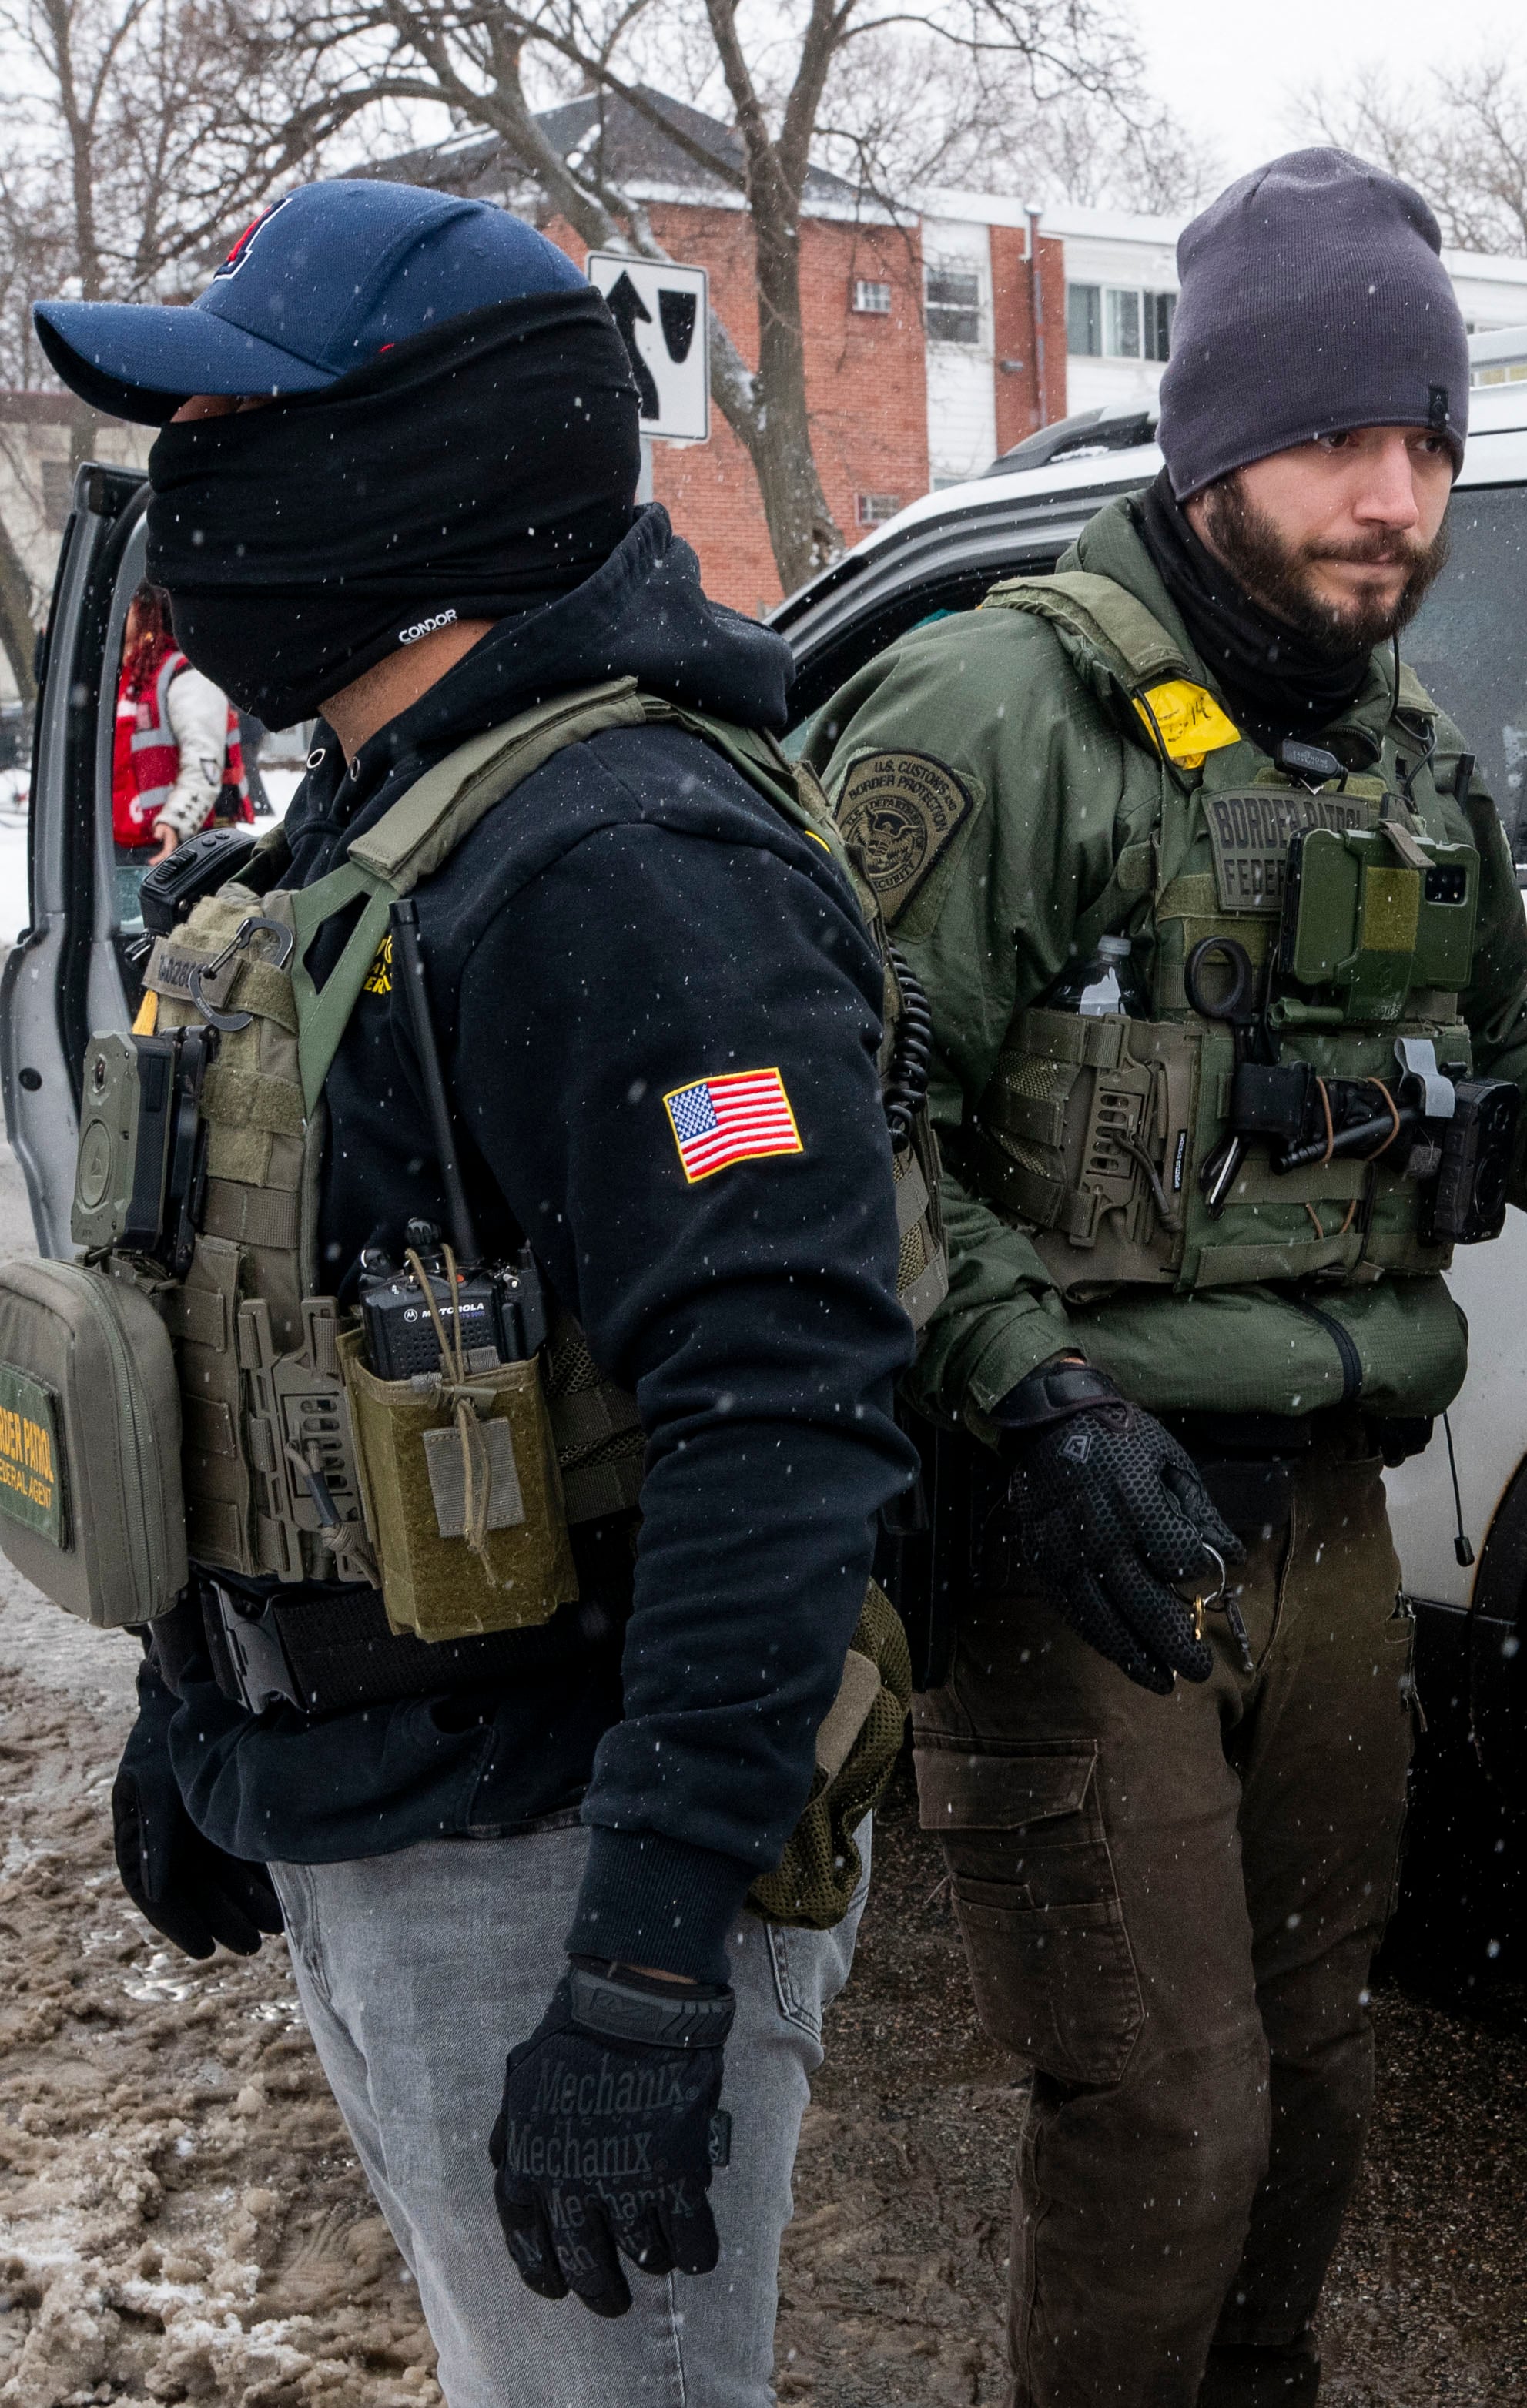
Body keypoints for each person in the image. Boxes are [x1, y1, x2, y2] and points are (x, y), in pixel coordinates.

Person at [34, 179, 921, 2405]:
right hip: (381, 1799)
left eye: (241, 421)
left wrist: (642, 1953)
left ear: (424, 455)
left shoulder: (628, 863)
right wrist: (203, 1702)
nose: (194, 495)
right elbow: (292, 1330)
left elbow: (782, 1415)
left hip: (553, 1839)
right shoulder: (378, 818)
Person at [801, 148, 1527, 2408]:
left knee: (1315, 2080)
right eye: (1341, 436)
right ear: (1213, 441)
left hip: (1327, 1519)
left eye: (1430, 442)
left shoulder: (1411, 759)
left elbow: (1500, 1059)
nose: (1395, 495)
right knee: (1164, 2116)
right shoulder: (988, 720)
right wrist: (1029, 1402)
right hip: (1071, 1532)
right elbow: (795, 1123)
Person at [111, 584, 249, 862]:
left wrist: (175, 823)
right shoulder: (125, 678)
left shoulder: (185, 675)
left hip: (171, 849)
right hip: (125, 847)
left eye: (129, 603)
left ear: (148, 610)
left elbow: (204, 762)